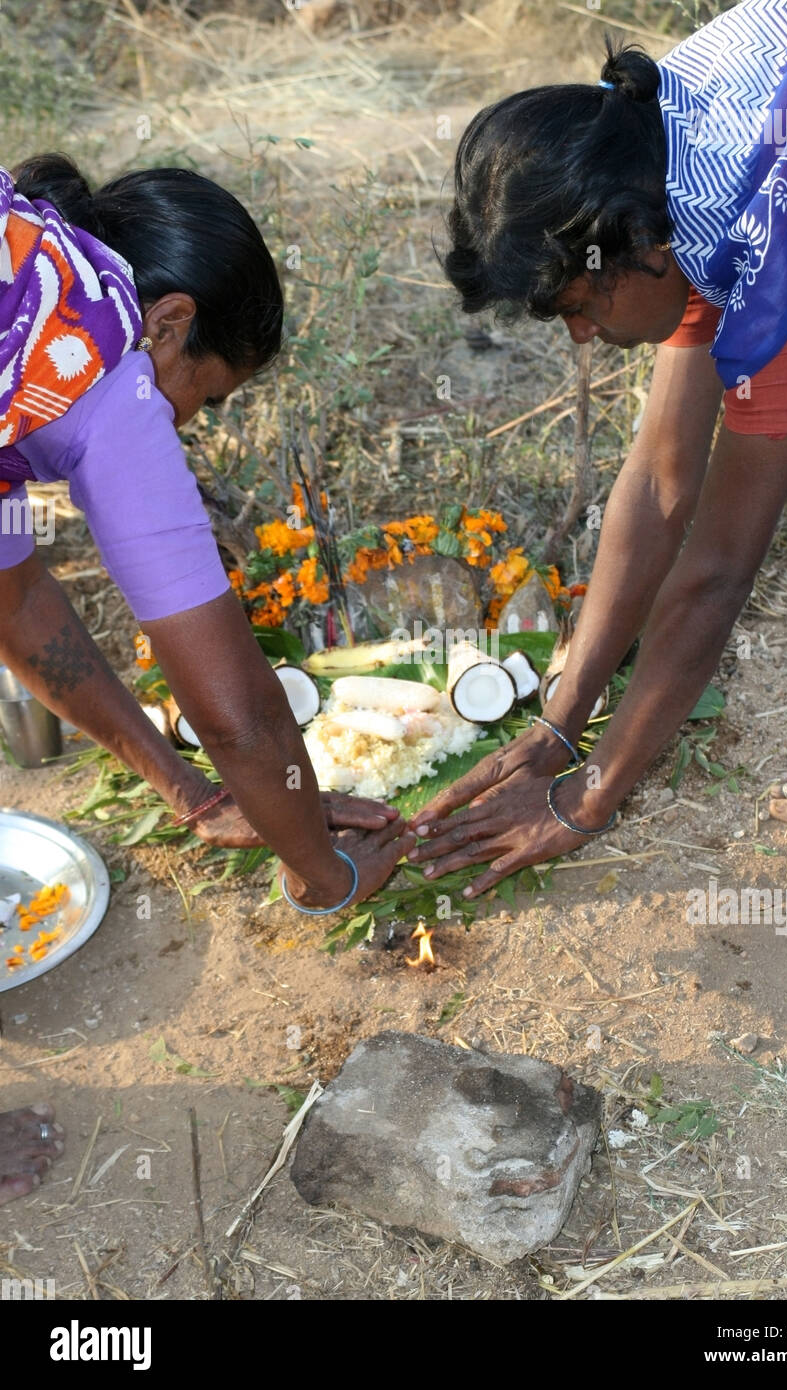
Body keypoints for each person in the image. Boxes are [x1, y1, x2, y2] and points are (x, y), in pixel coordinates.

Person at [0, 155, 413, 1201]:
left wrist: (183, 789)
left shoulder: (25, 301)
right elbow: (234, 711)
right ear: (170, 324)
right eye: (207, 398)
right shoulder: (100, 356)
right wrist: (325, 876)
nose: (183, 423)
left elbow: (14, 605)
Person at [409, 0, 787, 891]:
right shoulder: (655, 157)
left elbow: (714, 573)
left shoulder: (781, 233)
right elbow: (662, 479)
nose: (583, 338)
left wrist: (586, 799)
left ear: (634, 249)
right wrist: (560, 723)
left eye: (579, 309)